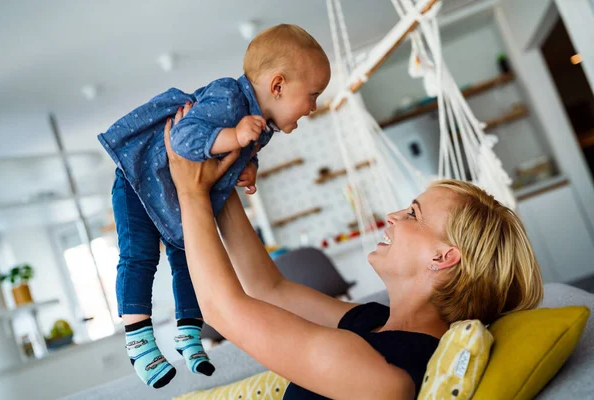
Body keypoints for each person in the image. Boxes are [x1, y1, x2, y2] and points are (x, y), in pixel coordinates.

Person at [163, 107, 544, 399]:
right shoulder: (375, 322)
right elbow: (269, 289)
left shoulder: (386, 373)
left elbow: (221, 310)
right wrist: (222, 180)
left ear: (443, 257)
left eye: (413, 214)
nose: (393, 216)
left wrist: (190, 192)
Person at [98, 24, 330, 388]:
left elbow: (235, 155)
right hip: (139, 183)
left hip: (175, 194)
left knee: (190, 261)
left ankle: (188, 334)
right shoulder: (229, 97)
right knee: (140, 257)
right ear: (278, 86)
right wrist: (233, 137)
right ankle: (138, 339)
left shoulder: (263, 128)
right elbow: (183, 137)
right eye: (313, 95)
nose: (314, 107)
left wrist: (248, 166)